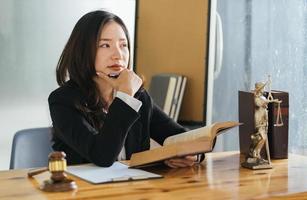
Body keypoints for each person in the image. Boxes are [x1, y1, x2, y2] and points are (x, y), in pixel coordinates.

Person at [48, 10, 202, 168]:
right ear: (82, 50)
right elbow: (102, 155)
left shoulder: (139, 96)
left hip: (132, 189)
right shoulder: (62, 101)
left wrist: (195, 154)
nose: (118, 55)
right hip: (83, 191)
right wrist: (126, 96)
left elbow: (180, 136)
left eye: (123, 45)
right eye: (105, 45)